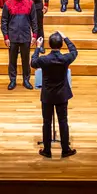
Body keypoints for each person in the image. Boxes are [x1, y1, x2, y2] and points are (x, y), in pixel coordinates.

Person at [31, 31, 78, 159]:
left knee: (46, 122)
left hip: (47, 95)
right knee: (63, 121)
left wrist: (38, 48)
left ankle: (47, 150)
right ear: (61, 45)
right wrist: (66, 37)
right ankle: (65, 150)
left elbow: (33, 62)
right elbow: (74, 51)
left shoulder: (44, 59)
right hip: (62, 95)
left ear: (50, 45)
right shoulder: (65, 59)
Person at [1, 0, 37, 90]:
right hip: (12, 37)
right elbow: (4, 22)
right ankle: (12, 80)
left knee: (26, 60)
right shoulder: (7, 4)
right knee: (12, 60)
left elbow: (34, 21)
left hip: (26, 36)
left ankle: (26, 80)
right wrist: (6, 37)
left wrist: (34, 35)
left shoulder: (30, 3)